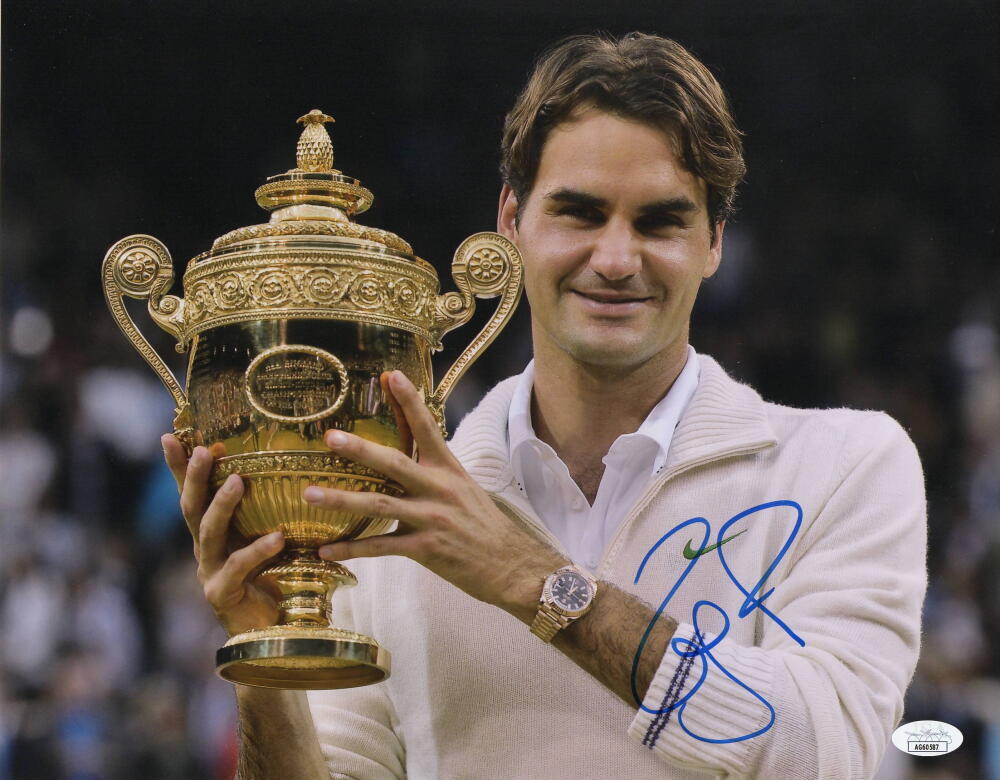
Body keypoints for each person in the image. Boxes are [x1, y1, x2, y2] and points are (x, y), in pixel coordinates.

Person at [163, 32, 927, 779]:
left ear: (714, 242)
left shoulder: (845, 466)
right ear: (510, 222)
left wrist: (531, 579)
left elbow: (826, 754)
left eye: (661, 220)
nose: (618, 259)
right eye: (581, 213)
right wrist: (263, 659)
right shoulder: (383, 506)